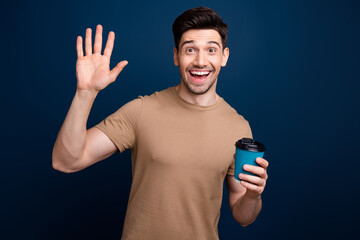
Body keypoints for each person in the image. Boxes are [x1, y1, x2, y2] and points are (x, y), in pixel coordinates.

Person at [52, 7, 269, 240]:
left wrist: (253, 197)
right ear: (176, 55)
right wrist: (85, 93)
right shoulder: (141, 110)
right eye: (190, 50)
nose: (200, 61)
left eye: (211, 50)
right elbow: (66, 161)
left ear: (224, 56)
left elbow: (243, 216)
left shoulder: (238, 128)